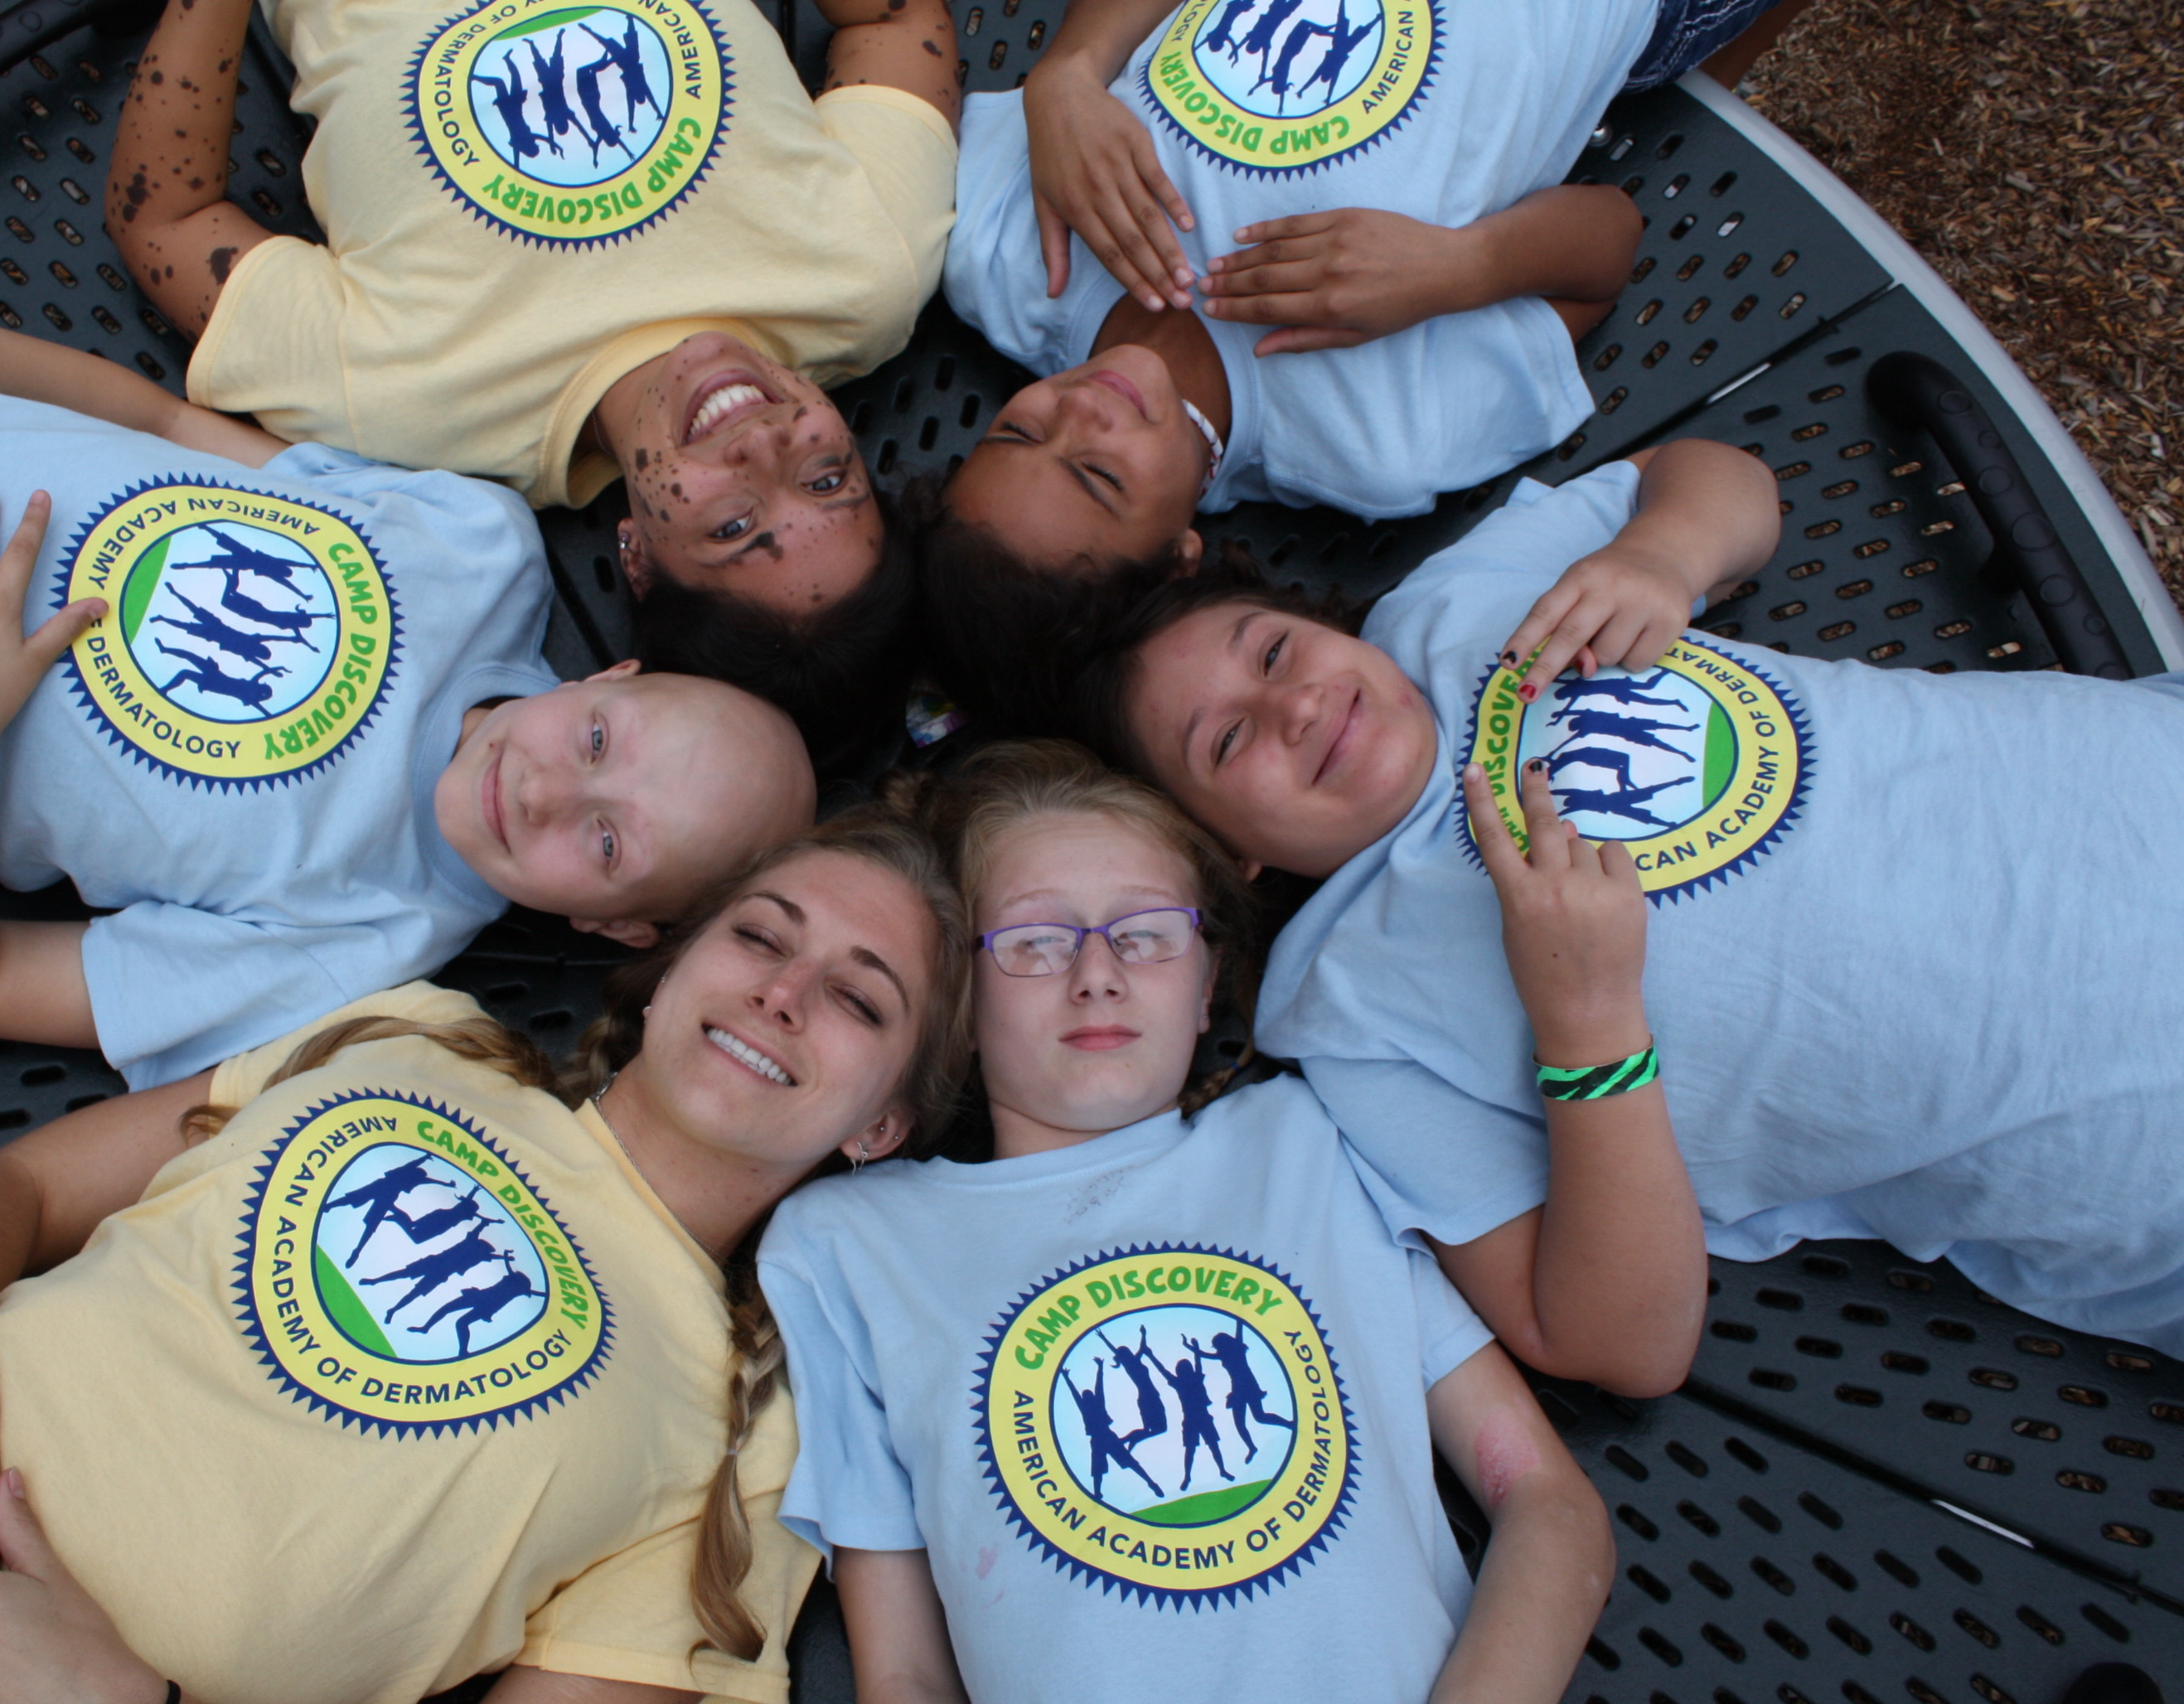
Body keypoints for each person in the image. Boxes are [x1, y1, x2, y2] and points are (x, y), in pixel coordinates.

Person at [0, 803, 973, 1704]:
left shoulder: (751, 1429)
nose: (781, 993)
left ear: (884, 1124)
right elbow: (11, 1190)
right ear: (675, 960)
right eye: (757, 933)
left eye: (858, 998)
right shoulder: (417, 1038)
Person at [1075, 431, 2184, 1371]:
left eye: (1271, 650)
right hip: (2127, 1138)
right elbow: (1618, 1344)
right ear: (1227, 856)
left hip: (2134, 783)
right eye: (1226, 743)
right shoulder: (1359, 1026)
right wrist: (1588, 1022)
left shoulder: (1461, 609)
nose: (1298, 707)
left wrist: (1663, 555)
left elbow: (1719, 476)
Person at [0, 283, 816, 1090]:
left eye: (607, 847)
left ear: (613, 925)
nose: (552, 788)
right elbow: (157, 417)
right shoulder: (475, 547)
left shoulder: (352, 950)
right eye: (601, 738)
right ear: (610, 671)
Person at [758, 742, 1632, 1702]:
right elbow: (908, 1672)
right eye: (1035, 940)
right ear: (959, 1006)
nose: (1096, 973)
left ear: (1206, 982)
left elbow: (1546, 1501)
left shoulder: (1305, 1139)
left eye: (1145, 933)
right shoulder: (846, 1245)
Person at [918, 0, 1811, 729]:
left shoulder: (1007, 262)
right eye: (1099, 473)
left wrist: (1068, 72)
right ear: (1179, 557)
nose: (1080, 412)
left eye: (1019, 429)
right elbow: (1609, 236)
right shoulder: (1371, 439)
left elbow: (1073, 72)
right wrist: (1463, 268)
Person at [104, 0, 963, 753]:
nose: (765, 444)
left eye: (736, 522)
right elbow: (894, 20)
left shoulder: (411, 401)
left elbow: (164, 220)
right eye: (825, 475)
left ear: (639, 560)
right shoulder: (866, 270)